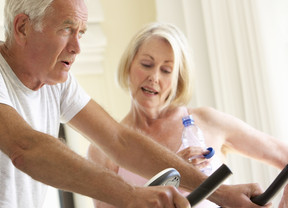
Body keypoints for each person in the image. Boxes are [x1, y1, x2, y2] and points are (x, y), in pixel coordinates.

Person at [0, 0, 271, 207]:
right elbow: (26, 148)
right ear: (22, 26)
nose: (77, 47)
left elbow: (119, 141)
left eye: (82, 32)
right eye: (66, 29)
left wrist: (221, 195)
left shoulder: (55, 82)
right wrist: (131, 197)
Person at [88, 22, 288, 207]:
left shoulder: (207, 121)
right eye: (147, 64)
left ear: (179, 79)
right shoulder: (102, 148)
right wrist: (171, 175)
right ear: (129, 65)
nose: (154, 77)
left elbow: (283, 155)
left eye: (166, 70)